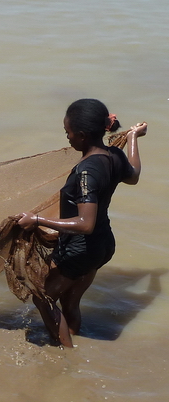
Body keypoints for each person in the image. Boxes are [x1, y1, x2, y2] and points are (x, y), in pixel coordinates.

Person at [18, 98, 147, 347]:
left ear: (82, 136)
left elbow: (85, 224)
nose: (67, 137)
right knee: (69, 301)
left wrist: (37, 219)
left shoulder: (87, 171)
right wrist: (132, 138)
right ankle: (72, 340)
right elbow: (134, 176)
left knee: (43, 297)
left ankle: (65, 356)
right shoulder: (113, 155)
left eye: (68, 132)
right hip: (102, 245)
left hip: (81, 249)